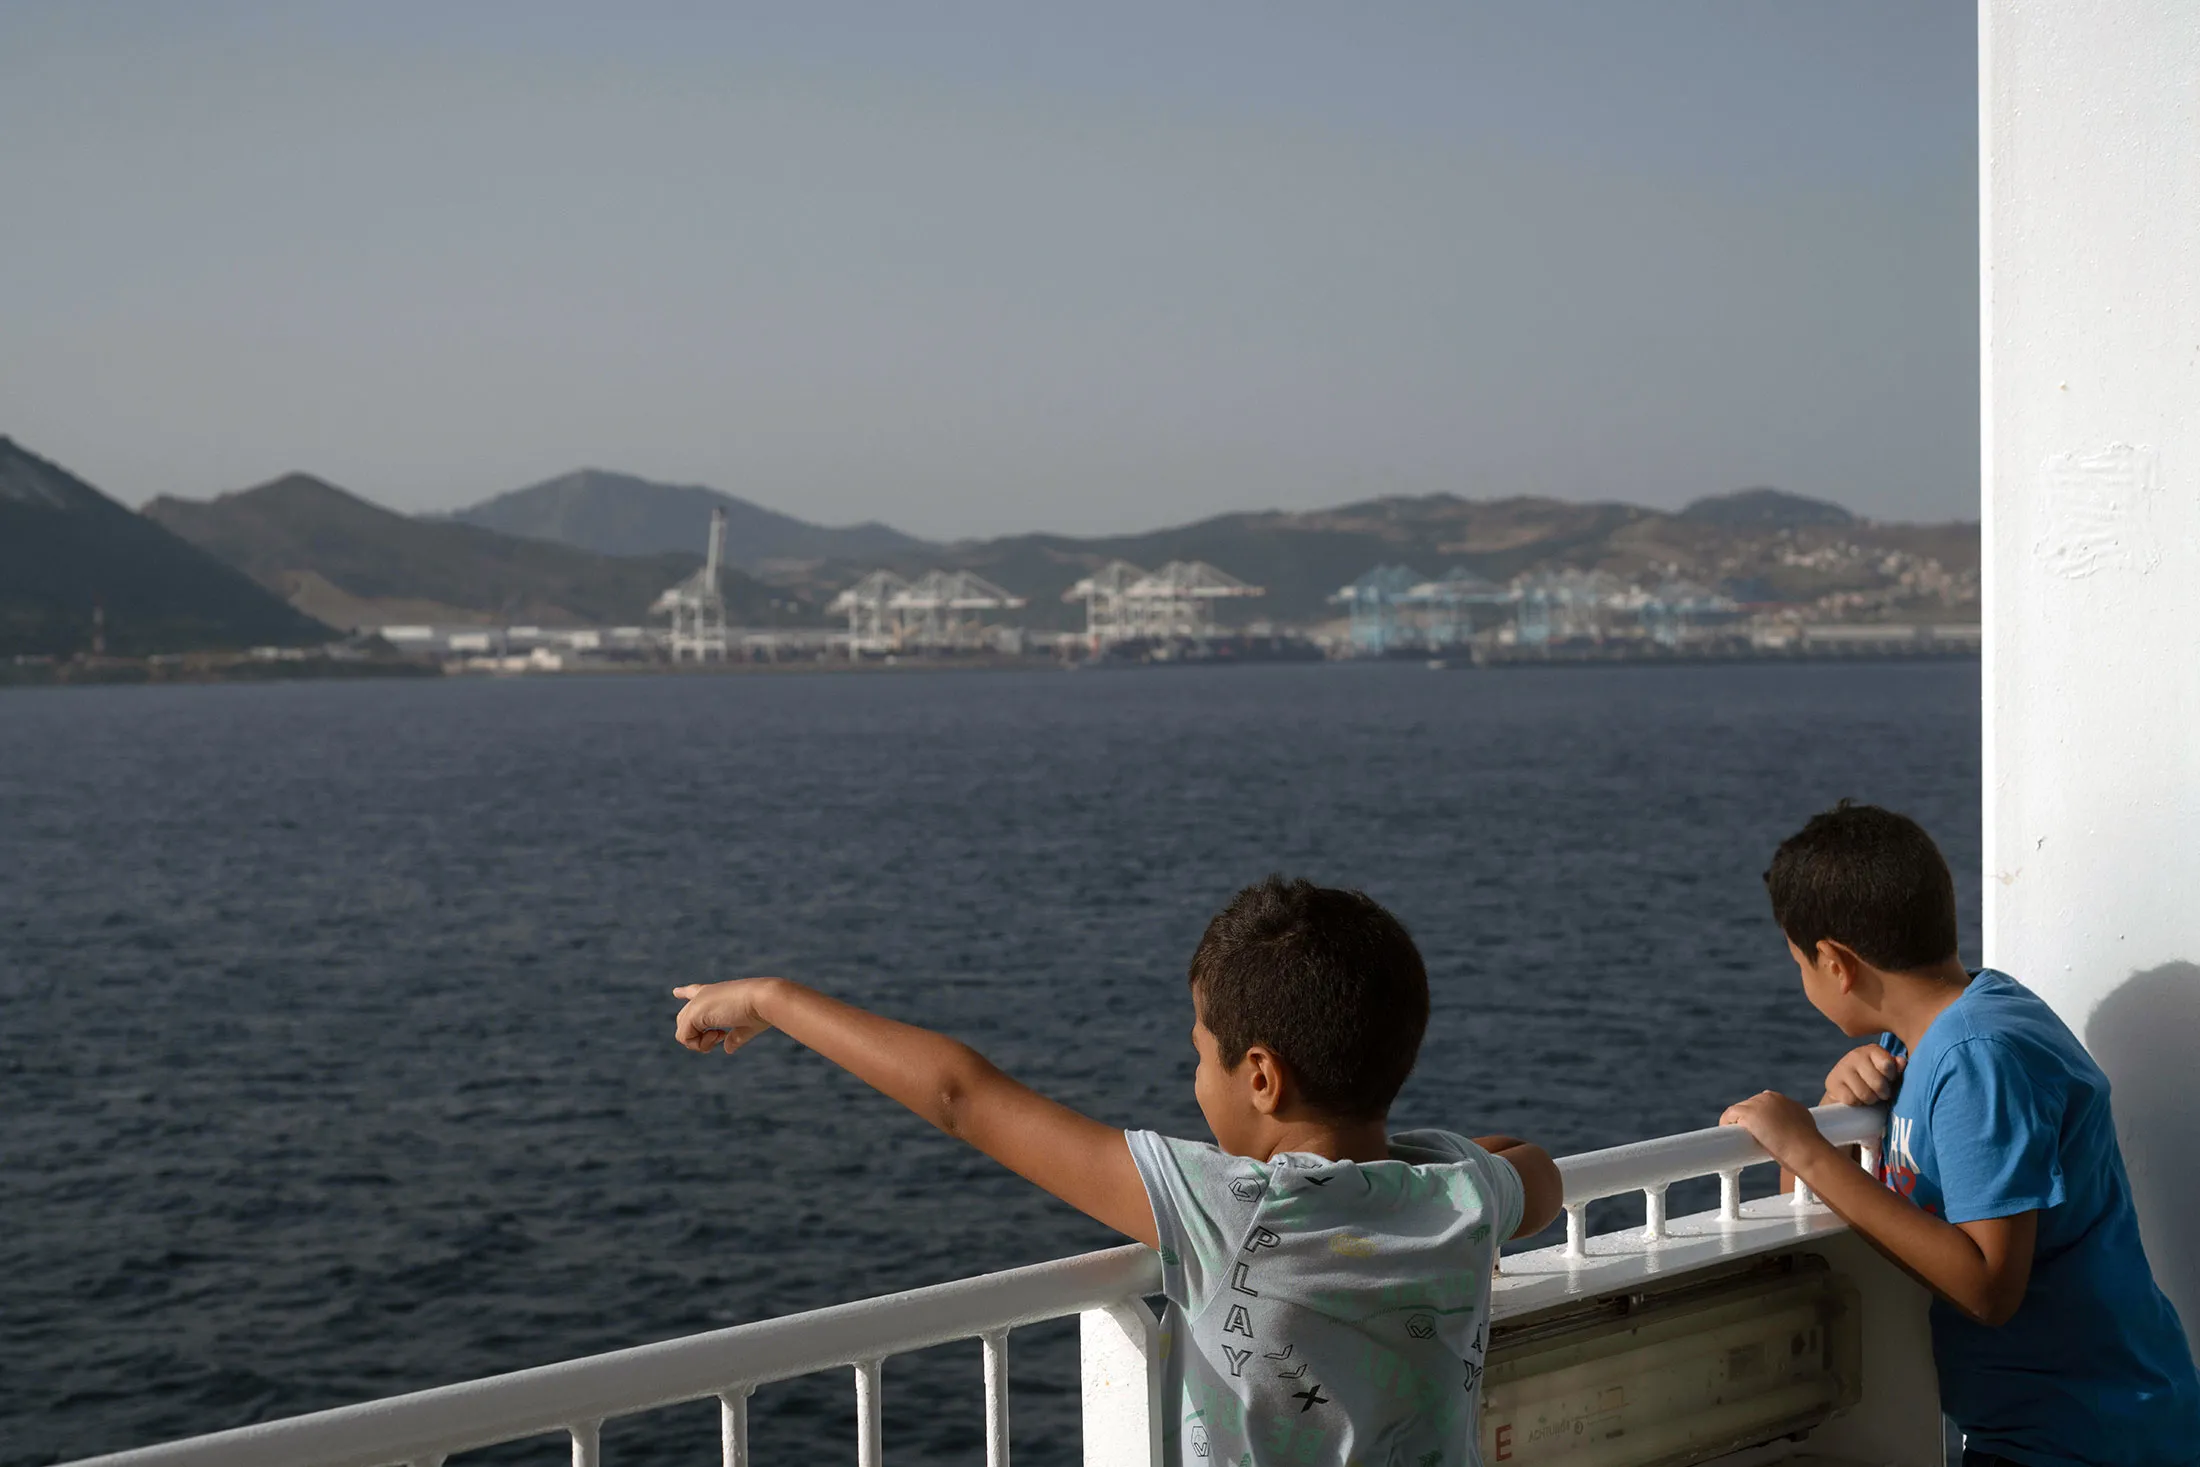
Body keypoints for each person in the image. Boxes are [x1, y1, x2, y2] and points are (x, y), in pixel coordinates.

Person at [672, 876, 1562, 1467]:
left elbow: (961, 1097)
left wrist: (772, 999)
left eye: (1199, 1052)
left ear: (1260, 1075)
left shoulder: (1232, 1207)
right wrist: (1435, 1162)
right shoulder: (1458, 1196)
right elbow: (1539, 1174)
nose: (1193, 1072)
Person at [1720, 802, 2200, 1467]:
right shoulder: (1928, 1039)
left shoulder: (1979, 1058)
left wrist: (1803, 1143)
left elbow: (1989, 1286)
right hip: (2047, 1424)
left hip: (2090, 1433)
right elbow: (1810, 1197)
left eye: (1800, 962)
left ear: (1836, 962)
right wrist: (1832, 1104)